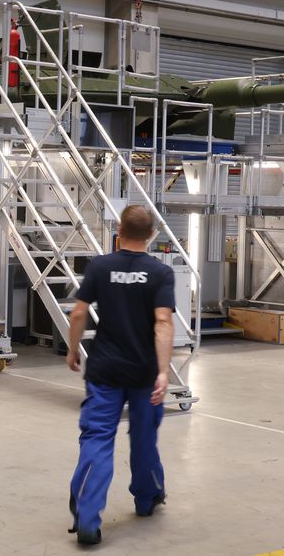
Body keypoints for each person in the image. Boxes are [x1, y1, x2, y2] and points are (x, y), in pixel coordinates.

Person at [66, 204, 175, 546]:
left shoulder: (100, 266)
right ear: (152, 233)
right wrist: (162, 371)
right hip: (143, 372)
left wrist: (72, 350)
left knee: (97, 440)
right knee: (144, 440)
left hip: (105, 370)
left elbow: (78, 313)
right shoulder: (159, 272)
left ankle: (87, 518)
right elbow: (163, 322)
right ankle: (146, 499)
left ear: (118, 229)